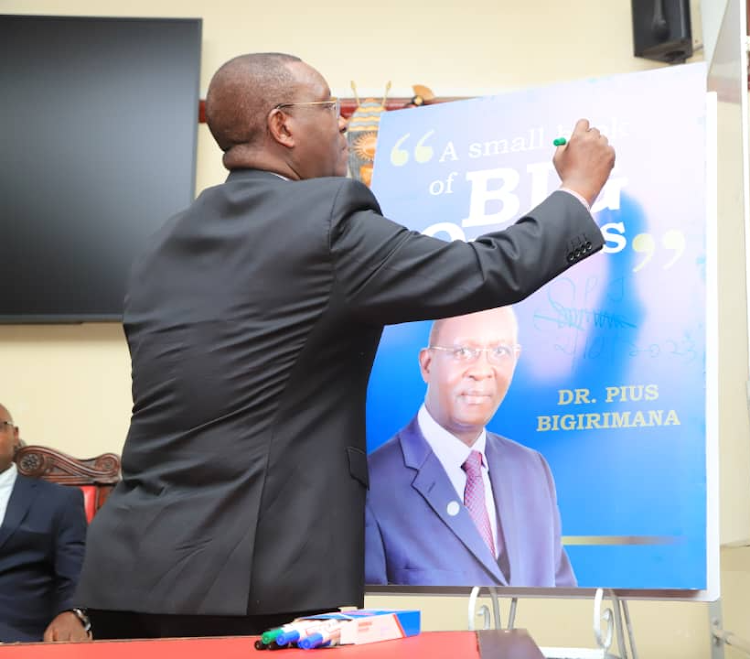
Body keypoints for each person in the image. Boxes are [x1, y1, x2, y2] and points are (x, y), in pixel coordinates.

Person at [75, 52, 613, 639]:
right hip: (254, 584)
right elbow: (484, 272)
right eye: (330, 108)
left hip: (130, 573)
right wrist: (576, 190)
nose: (341, 124)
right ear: (282, 126)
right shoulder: (329, 218)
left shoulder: (162, 241)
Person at [365, 307, 575, 587]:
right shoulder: (371, 485)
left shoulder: (532, 469)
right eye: (463, 351)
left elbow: (564, 603)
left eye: (500, 351)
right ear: (427, 364)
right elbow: (370, 623)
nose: (482, 371)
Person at [0, 404, 89, 643]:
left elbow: (75, 572)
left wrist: (72, 613)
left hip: (21, 636)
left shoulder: (59, 500)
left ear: (14, 434)